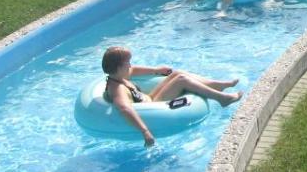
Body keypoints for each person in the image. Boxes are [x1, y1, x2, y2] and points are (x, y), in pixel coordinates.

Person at [101, 46, 241, 147]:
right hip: (153, 107)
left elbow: (134, 70)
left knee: (177, 73)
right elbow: (124, 109)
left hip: (150, 98)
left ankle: (217, 85)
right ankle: (222, 98)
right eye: (128, 63)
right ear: (118, 67)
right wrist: (145, 131)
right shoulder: (118, 88)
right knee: (181, 80)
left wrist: (156, 70)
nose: (130, 65)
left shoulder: (119, 76)